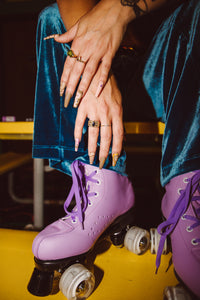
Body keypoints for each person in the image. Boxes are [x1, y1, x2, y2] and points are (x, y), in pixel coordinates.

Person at [31, 0, 200, 298]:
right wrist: (98, 75)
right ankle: (103, 183)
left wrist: (117, 11)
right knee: (54, 19)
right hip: (112, 78)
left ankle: (188, 194)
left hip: (175, 62)